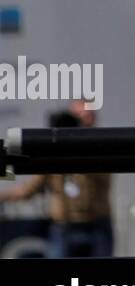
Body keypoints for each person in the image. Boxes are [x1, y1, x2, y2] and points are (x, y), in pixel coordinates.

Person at [0, 102, 113, 257]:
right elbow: (28, 190)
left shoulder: (103, 146)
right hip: (63, 227)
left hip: (97, 226)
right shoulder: (53, 153)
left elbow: (102, 174)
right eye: (77, 118)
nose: (81, 123)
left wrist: (82, 142)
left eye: (87, 117)